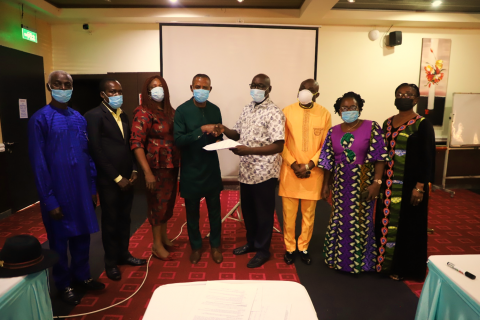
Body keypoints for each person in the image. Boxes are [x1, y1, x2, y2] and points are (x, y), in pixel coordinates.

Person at [28, 70, 105, 305]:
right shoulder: (40, 119)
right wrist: (49, 200)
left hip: (82, 190)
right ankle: (64, 284)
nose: (63, 88)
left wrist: (92, 187)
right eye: (58, 84)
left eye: (67, 84)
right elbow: (39, 163)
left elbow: (87, 155)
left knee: (82, 238)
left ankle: (82, 277)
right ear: (49, 87)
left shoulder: (79, 118)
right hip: (58, 192)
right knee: (59, 241)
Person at [215, 74, 285, 268]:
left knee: (263, 213)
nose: (256, 88)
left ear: (269, 89)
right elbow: (237, 133)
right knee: (249, 211)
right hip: (246, 171)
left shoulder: (274, 112)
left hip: (264, 172)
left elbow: (278, 145)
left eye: (261, 86)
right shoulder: (247, 108)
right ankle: (252, 243)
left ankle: (263, 250)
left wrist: (249, 150)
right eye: (253, 85)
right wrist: (223, 129)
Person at [318, 92, 388, 273]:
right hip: (341, 182)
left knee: (361, 221)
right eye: (344, 108)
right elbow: (328, 162)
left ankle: (360, 263)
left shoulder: (372, 127)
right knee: (339, 219)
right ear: (338, 110)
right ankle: (337, 259)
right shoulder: (333, 131)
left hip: (363, 180)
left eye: (353, 107)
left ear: (359, 108)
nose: (349, 110)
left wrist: (377, 183)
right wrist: (326, 185)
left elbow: (380, 157)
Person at [84, 79, 147, 281]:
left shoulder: (124, 114)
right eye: (113, 92)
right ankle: (110, 263)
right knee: (110, 222)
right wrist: (117, 177)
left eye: (119, 91)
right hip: (110, 180)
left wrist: (135, 170)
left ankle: (124, 254)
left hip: (128, 178)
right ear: (103, 94)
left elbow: (128, 144)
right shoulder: (93, 116)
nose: (117, 95)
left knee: (125, 218)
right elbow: (96, 150)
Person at [375, 83, 435, 281]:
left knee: (408, 227)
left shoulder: (422, 124)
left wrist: (420, 186)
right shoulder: (388, 122)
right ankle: (383, 264)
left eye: (408, 94)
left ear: (416, 99)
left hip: (410, 187)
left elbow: (428, 158)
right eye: (399, 94)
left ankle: (404, 268)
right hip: (388, 186)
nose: (403, 96)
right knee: (385, 224)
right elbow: (382, 153)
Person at [279, 79, 331, 265]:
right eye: (303, 89)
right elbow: (281, 143)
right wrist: (294, 164)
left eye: (311, 90)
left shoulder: (324, 113)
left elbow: (326, 145)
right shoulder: (286, 111)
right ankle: (290, 248)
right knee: (289, 214)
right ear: (298, 91)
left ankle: (303, 247)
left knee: (309, 215)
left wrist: (309, 165)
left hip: (313, 172)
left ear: (317, 94)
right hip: (290, 171)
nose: (306, 92)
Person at [173, 74, 224, 265]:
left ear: (210, 90)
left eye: (205, 87)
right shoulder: (182, 111)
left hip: (211, 167)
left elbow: (217, 137)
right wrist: (201, 129)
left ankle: (216, 245)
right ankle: (195, 246)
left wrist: (219, 138)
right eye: (197, 86)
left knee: (214, 211)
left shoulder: (215, 110)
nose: (201, 90)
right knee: (192, 212)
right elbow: (178, 140)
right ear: (191, 88)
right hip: (191, 168)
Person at [131, 75, 180, 261]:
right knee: (157, 205)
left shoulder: (169, 111)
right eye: (153, 87)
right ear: (147, 91)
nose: (158, 89)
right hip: (155, 167)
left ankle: (164, 237)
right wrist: (147, 172)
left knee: (167, 203)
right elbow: (136, 143)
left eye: (160, 86)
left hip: (171, 165)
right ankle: (156, 245)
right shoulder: (143, 112)